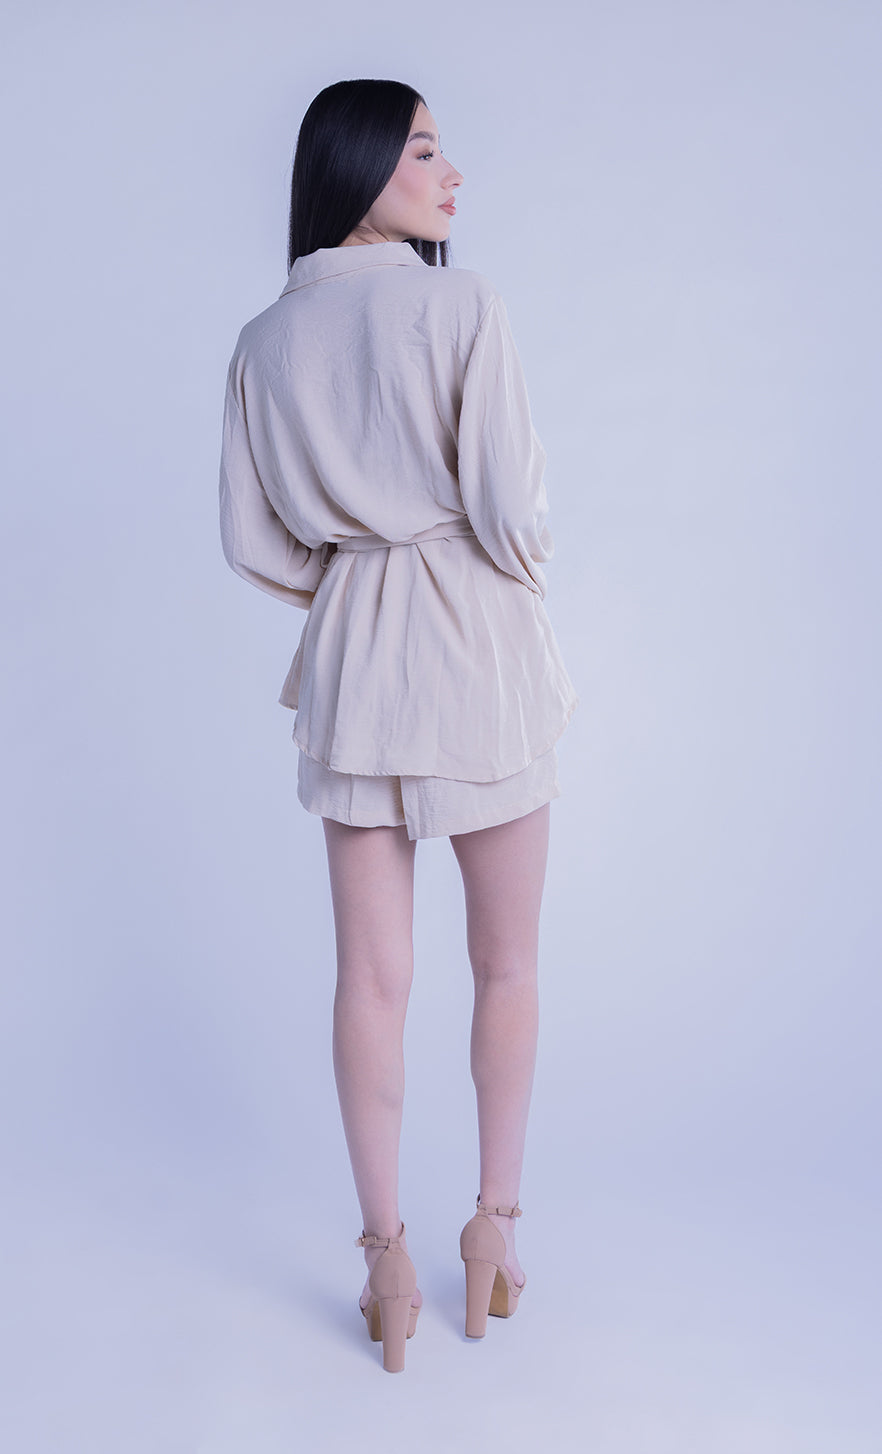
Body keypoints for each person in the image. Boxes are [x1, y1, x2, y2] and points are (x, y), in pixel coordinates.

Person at [218, 79, 578, 1372]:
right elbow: (510, 508)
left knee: (369, 975)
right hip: (477, 641)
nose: (451, 172)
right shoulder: (459, 304)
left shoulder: (265, 338)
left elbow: (254, 541)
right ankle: (493, 1231)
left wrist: (356, 583)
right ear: (362, 163)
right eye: (425, 147)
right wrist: (501, 578)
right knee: (507, 963)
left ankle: (383, 1258)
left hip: (356, 657)